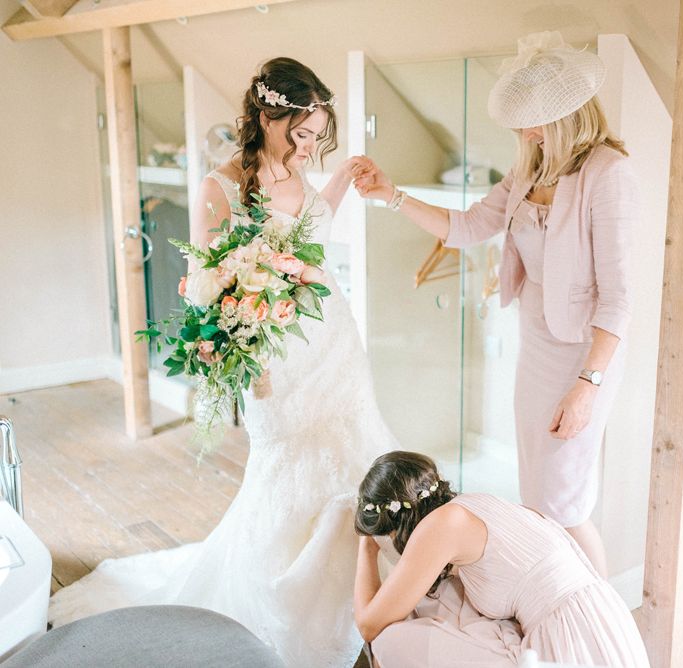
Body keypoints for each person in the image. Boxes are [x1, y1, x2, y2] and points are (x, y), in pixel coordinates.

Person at [48, 57, 398, 668]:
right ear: (267, 116)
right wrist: (242, 357)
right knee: (287, 475)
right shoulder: (222, 187)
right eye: (302, 133)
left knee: (353, 462)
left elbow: (311, 227)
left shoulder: (302, 172)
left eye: (320, 136)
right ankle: (284, 604)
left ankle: (357, 601)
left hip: (332, 344)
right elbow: (205, 288)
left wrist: (340, 178)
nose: (310, 147)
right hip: (275, 359)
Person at [353, 31, 640, 576]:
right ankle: (554, 606)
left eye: (534, 121)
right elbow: (466, 227)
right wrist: (391, 195)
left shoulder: (609, 174)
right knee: (539, 494)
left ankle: (598, 620)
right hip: (536, 350)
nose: (525, 132)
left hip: (584, 359)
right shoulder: (531, 167)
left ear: (567, 116)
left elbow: (620, 299)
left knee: (566, 501)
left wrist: (587, 387)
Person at [354, 451, 650, 667]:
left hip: (569, 641)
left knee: (389, 640)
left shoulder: (442, 525)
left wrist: (366, 547)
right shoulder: (477, 505)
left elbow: (369, 625)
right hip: (606, 624)